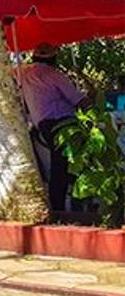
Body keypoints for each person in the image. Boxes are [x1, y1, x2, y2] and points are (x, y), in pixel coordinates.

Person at [14, 43, 89, 212]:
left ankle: (59, 205)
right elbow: (77, 99)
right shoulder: (54, 74)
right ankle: (66, 206)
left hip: (41, 124)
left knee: (58, 166)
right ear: (53, 58)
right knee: (70, 164)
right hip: (62, 123)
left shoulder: (22, 72)